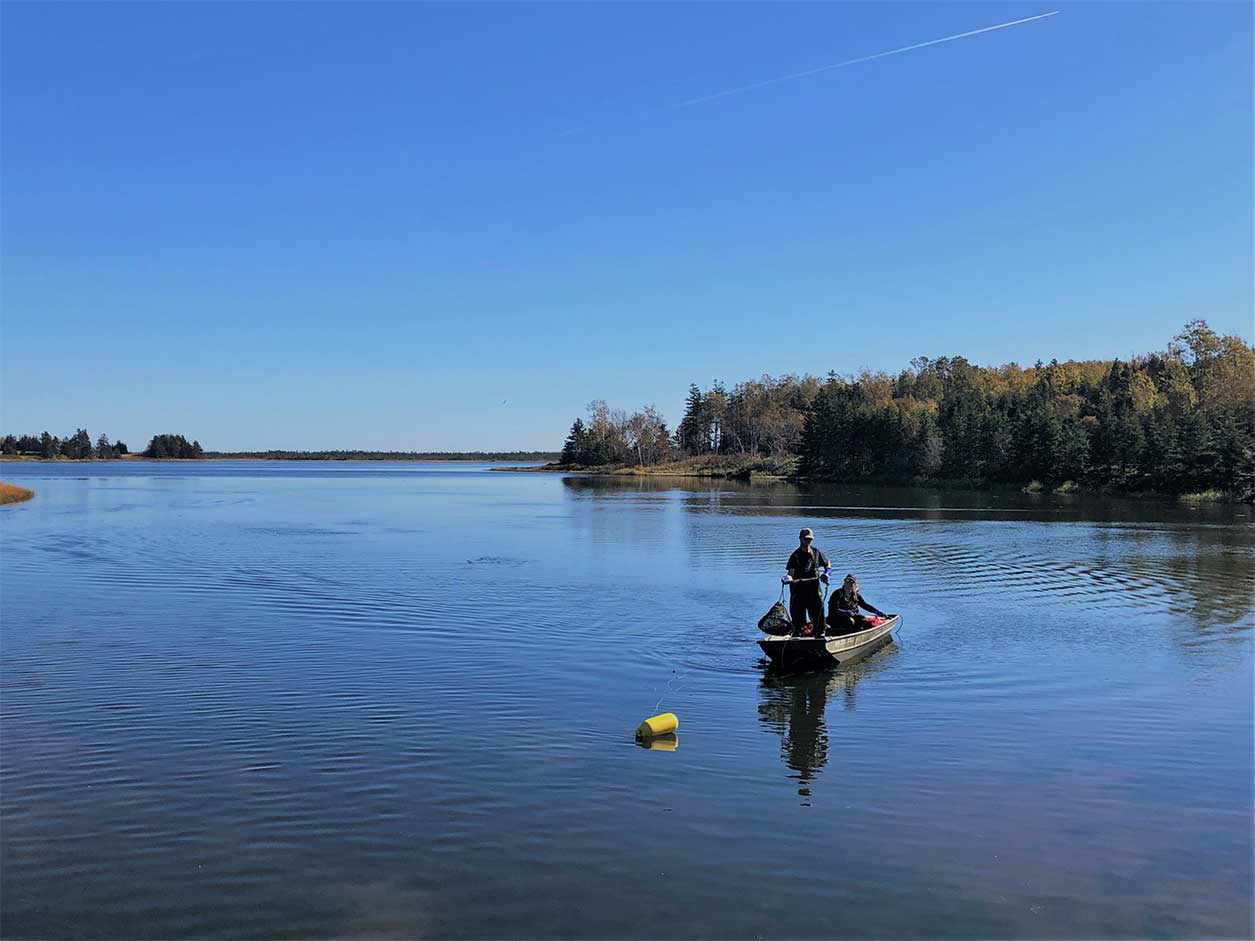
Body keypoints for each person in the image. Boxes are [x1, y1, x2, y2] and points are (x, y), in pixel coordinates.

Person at [783, 528, 831, 637]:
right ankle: (797, 637)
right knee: (798, 618)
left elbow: (827, 563)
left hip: (814, 590)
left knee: (818, 614)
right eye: (806, 539)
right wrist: (788, 578)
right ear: (800, 539)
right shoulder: (795, 556)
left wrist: (827, 573)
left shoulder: (816, 552)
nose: (808, 542)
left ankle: (820, 636)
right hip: (798, 592)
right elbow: (791, 573)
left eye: (810, 539)